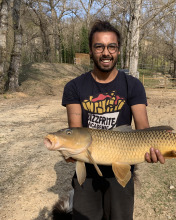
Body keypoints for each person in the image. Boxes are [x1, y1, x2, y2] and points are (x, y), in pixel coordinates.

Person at [62, 20, 164, 220]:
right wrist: (66, 150)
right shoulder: (74, 87)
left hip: (122, 172)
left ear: (118, 51)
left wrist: (153, 149)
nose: (106, 53)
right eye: (99, 47)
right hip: (88, 173)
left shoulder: (133, 85)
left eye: (112, 47)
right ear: (91, 51)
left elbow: (143, 128)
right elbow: (74, 132)